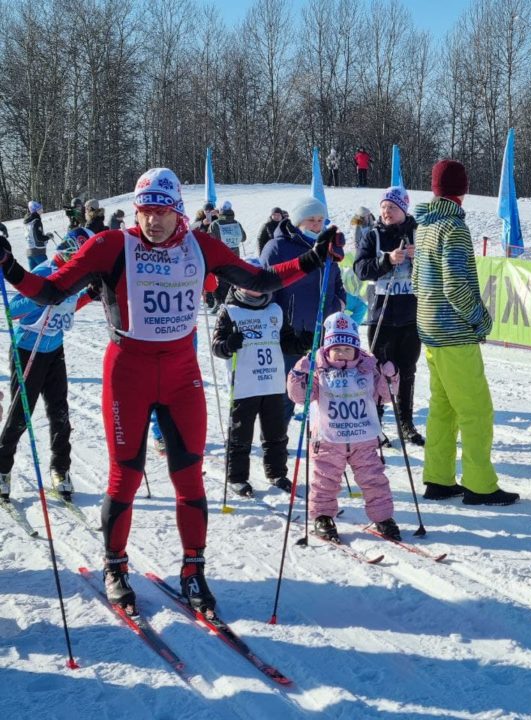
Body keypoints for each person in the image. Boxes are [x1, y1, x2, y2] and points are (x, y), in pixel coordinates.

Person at [0, 167, 344, 615]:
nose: (152, 221)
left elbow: (256, 280)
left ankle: (193, 568)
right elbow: (50, 291)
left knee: (189, 476)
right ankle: (116, 565)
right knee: (126, 474)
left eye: (161, 210)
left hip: (182, 377)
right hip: (129, 374)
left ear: (176, 210)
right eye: (145, 211)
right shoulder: (110, 246)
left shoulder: (198, 246)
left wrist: (313, 259)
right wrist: (8, 266)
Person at [412, 159, 518, 506]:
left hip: (430, 329)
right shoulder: (453, 229)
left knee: (443, 407)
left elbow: (416, 281)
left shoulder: (425, 226)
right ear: (464, 189)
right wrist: (480, 320)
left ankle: (439, 477)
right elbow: (456, 286)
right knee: (476, 410)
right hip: (454, 332)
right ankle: (480, 484)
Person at [287, 312, 402, 542]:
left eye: (347, 349)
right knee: (324, 481)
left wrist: (391, 376)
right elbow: (299, 397)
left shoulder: (368, 369)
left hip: (363, 439)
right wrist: (299, 374)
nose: (341, 353)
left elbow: (386, 396)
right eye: (336, 349)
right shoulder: (318, 371)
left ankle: (383, 517)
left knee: (374, 479)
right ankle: (322, 516)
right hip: (328, 440)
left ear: (356, 349)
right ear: (327, 349)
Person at [0, 240, 93, 502]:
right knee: (21, 412)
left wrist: (91, 294)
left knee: (59, 411)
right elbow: (12, 310)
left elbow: (69, 307)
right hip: (28, 349)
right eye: (78, 257)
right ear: (67, 253)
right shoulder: (43, 272)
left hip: (54, 348)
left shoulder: (77, 275)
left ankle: (60, 469)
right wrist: (41, 299)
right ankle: (2, 468)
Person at [261, 196, 347, 429]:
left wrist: (338, 303)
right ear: (298, 220)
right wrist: (281, 326)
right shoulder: (277, 248)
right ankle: (276, 440)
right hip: (289, 333)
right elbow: (267, 288)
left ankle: (325, 439)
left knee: (323, 388)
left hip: (321, 331)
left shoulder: (326, 245)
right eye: (311, 220)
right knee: (287, 390)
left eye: (320, 220)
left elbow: (337, 280)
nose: (317, 226)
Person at [211, 259, 292, 496]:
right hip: (245, 385)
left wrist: (301, 341)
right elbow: (217, 347)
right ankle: (237, 477)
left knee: (276, 433)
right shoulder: (230, 311)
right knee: (240, 433)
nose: (256, 286)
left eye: (260, 281)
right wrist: (228, 344)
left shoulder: (275, 309)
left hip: (273, 382)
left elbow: (286, 340)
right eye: (249, 281)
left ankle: (277, 472)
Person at [353, 186, 424, 446]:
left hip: (410, 315)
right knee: (379, 371)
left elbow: (435, 269)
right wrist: (387, 261)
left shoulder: (419, 232)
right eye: (383, 208)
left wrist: (420, 258)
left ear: (403, 210)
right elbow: (360, 269)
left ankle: (406, 423)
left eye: (392, 208)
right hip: (381, 314)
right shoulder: (373, 236)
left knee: (407, 370)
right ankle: (376, 424)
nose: (386, 213)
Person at [209, 201, 248, 305]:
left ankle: (220, 304)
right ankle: (232, 301)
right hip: (235, 256)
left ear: (220, 211)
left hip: (220, 258)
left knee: (220, 282)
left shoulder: (215, 224)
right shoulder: (237, 223)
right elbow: (243, 238)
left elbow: (210, 241)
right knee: (233, 280)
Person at [23, 201, 51, 270]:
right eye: (39, 209)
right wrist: (48, 236)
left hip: (29, 251)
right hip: (38, 252)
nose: (42, 210)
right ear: (35, 210)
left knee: (34, 276)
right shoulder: (36, 221)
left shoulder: (28, 221)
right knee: (48, 273)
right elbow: (39, 238)